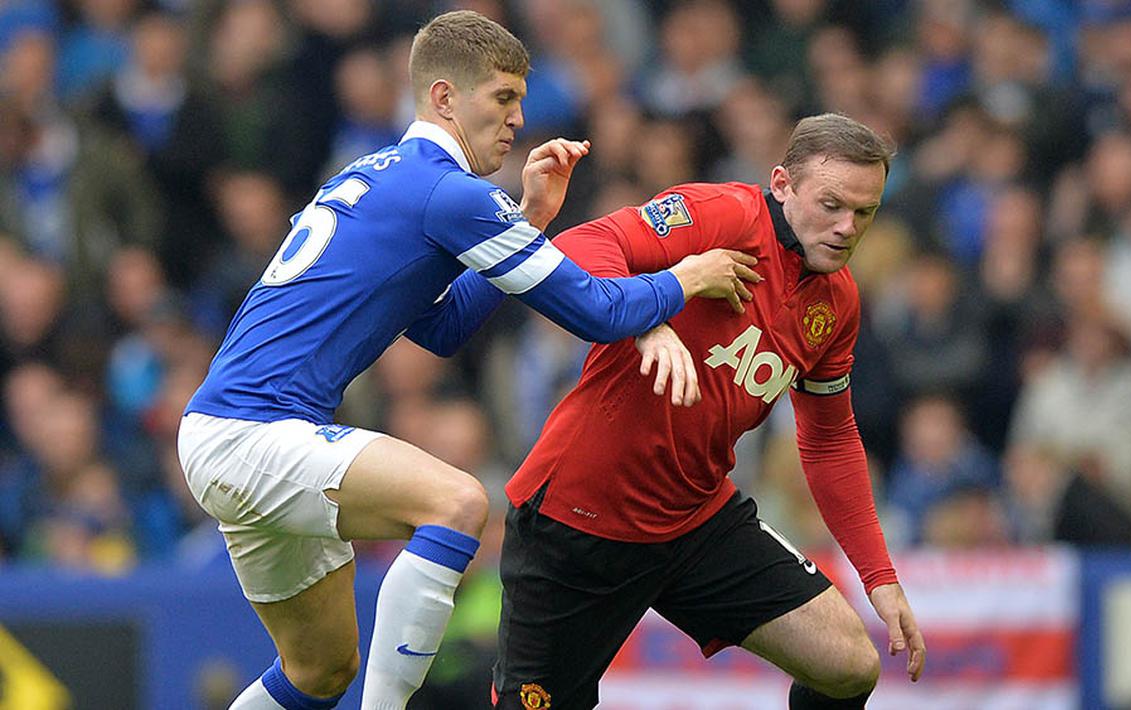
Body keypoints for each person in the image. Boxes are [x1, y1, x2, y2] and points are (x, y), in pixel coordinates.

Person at [176, 11, 758, 710]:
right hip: (254, 434)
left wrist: (529, 218)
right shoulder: (451, 194)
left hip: (230, 434)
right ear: (445, 98)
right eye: (502, 99)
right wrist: (685, 277)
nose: (517, 119)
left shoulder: (376, 175)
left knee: (318, 672)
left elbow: (442, 327)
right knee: (457, 504)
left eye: (520, 99)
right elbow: (598, 312)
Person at [491, 113, 926, 708]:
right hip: (578, 519)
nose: (847, 228)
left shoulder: (838, 301)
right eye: (831, 205)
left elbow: (828, 441)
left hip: (695, 519)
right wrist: (648, 315)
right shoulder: (723, 215)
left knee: (848, 666)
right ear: (782, 184)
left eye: (866, 212)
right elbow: (578, 244)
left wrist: (880, 576)